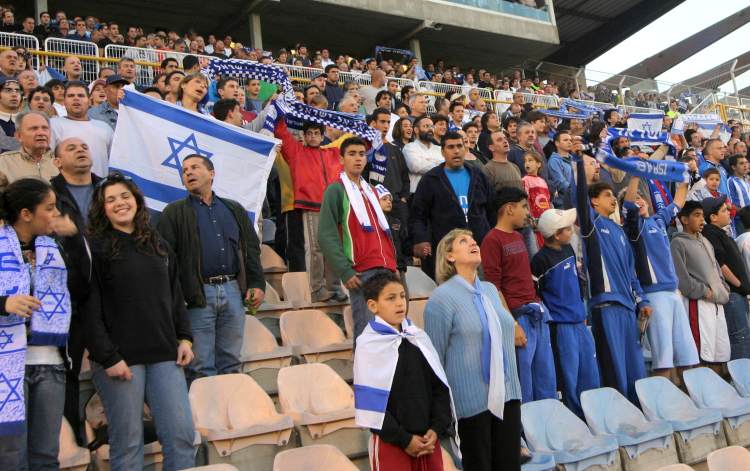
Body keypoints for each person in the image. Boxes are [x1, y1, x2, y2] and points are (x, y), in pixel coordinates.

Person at [82, 174, 196, 470]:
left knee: (181, 436)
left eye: (125, 196)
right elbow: (88, 309)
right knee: (128, 443)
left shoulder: (156, 242)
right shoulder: (94, 247)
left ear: (136, 200)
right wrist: (108, 356)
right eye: (111, 199)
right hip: (120, 360)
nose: (120, 203)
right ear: (102, 209)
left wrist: (185, 338)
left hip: (164, 353)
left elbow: (174, 295)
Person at [158, 154, 265, 381]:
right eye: (184, 170)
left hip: (233, 291)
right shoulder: (174, 212)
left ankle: (230, 414)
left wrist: (256, 283)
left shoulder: (234, 209)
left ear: (212, 174)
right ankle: (205, 417)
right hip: (197, 295)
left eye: (194, 167)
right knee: (200, 366)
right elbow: (166, 260)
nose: (188, 172)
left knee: (231, 363)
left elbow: (251, 250)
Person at [424, 229, 522, 471]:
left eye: (473, 240)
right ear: (449, 256)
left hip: (508, 395)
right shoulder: (440, 299)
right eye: (463, 241)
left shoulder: (489, 290)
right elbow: (434, 358)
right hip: (470, 402)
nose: (473, 243)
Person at [0, 178, 77, 470]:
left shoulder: (56, 244)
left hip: (50, 362)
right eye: (50, 207)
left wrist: (74, 241)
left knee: (46, 457)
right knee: (10, 457)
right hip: (7, 365)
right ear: (26, 213)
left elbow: (85, 286)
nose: (56, 213)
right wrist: (3, 303)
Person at [354, 271, 454, 470]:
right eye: (391, 298)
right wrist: (404, 440)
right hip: (393, 444)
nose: (400, 303)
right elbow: (371, 406)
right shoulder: (368, 345)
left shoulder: (418, 338)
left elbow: (439, 387)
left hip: (428, 441)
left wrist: (436, 428)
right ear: (373, 305)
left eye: (402, 296)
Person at [575, 156, 651, 404]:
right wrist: (579, 162)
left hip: (628, 307)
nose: (611, 199)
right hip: (605, 306)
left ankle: (639, 413)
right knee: (614, 368)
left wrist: (642, 300)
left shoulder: (619, 230)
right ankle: (619, 416)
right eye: (607, 195)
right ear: (594, 201)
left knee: (635, 367)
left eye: (612, 196)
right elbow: (580, 199)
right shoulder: (591, 226)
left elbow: (631, 274)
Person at [481, 186, 556, 404]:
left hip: (537, 314)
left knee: (546, 381)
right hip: (518, 318)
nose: (528, 212)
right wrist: (512, 325)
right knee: (525, 386)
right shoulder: (492, 240)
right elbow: (494, 288)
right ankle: (525, 433)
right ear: (509, 209)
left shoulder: (518, 236)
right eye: (524, 207)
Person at [621, 176, 699, 381]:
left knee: (686, 354)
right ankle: (665, 402)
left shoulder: (657, 220)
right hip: (654, 295)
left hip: (674, 292)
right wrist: (635, 174)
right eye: (634, 198)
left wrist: (683, 176)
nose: (639, 200)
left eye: (641, 197)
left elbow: (678, 202)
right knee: (663, 356)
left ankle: (689, 400)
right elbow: (629, 205)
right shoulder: (632, 228)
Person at [318, 137, 397, 339]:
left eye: (361, 154)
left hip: (386, 268)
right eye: (352, 154)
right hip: (362, 272)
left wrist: (392, 264)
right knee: (367, 335)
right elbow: (326, 235)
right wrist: (344, 271)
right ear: (341, 159)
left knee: (391, 333)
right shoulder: (336, 190)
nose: (358, 158)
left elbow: (382, 231)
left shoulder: (371, 191)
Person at [50, 137, 99, 443]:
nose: (81, 149)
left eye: (84, 146)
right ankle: (73, 439)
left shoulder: (108, 188)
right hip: (71, 298)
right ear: (56, 162)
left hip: (111, 292)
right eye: (70, 148)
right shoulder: (48, 194)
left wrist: (77, 232)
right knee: (66, 373)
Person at [531, 208, 600, 418]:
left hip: (580, 321)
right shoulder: (540, 260)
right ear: (556, 233)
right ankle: (574, 417)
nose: (571, 232)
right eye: (567, 229)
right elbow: (537, 292)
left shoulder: (569, 249)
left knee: (590, 372)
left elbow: (578, 283)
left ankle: (593, 416)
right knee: (569, 376)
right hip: (561, 327)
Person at [274, 118, 346, 302]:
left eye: (317, 133)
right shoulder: (297, 151)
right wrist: (279, 111)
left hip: (333, 207)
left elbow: (354, 137)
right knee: (315, 249)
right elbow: (281, 131)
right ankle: (316, 289)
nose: (313, 137)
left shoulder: (332, 151)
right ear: (304, 136)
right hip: (310, 205)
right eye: (309, 133)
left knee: (334, 249)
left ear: (323, 136)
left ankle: (334, 287)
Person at [411, 131, 492, 280]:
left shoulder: (478, 175)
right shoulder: (431, 179)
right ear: (442, 151)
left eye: (460, 146)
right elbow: (418, 215)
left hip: (479, 246)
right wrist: (421, 239)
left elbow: (490, 210)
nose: (456, 151)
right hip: (448, 249)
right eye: (451, 147)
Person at [671, 201, 731, 366]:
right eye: (697, 215)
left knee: (720, 355)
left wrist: (723, 289)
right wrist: (704, 291)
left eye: (702, 216)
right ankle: (699, 391)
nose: (702, 220)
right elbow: (681, 278)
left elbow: (717, 269)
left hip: (718, 303)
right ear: (684, 219)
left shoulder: (706, 241)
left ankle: (716, 390)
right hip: (699, 303)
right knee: (702, 354)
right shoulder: (678, 242)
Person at [700, 196, 750, 360]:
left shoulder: (721, 233)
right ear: (712, 217)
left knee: (744, 337)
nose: (729, 212)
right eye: (724, 210)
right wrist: (740, 285)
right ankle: (742, 381)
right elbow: (720, 264)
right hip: (733, 293)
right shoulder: (711, 233)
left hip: (739, 293)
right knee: (740, 338)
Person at [50, 81, 113, 177]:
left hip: (100, 188)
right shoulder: (53, 125)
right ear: (64, 101)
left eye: (81, 96)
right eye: (71, 96)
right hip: (64, 188)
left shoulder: (105, 128)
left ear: (89, 100)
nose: (76, 99)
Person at [0, 111, 58, 182]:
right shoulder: (4, 163)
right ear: (19, 136)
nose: (41, 133)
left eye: (45, 128)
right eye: (34, 128)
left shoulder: (63, 160)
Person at [403, 116, 444, 194]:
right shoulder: (409, 147)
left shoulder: (439, 149)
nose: (430, 129)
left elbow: (448, 166)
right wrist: (441, 165)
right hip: (417, 194)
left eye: (432, 126)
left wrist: (427, 161)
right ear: (416, 130)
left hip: (438, 194)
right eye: (426, 126)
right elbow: (417, 166)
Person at [522, 151, 551, 249]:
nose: (527, 163)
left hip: (545, 222)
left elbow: (547, 202)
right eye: (525, 161)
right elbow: (525, 201)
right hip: (535, 223)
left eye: (530, 160)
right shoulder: (525, 180)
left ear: (539, 164)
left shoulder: (543, 181)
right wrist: (531, 219)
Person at [547, 130, 575, 209]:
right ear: (557, 143)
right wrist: (577, 191)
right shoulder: (554, 161)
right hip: (563, 205)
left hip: (575, 201)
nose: (569, 142)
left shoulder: (574, 159)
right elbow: (560, 183)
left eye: (570, 140)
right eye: (565, 140)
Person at [727, 153, 750, 230]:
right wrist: (744, 213)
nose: (745, 165)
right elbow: (730, 203)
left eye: (746, 162)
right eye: (741, 163)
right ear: (733, 167)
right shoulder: (731, 181)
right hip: (740, 220)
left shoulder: (746, 180)